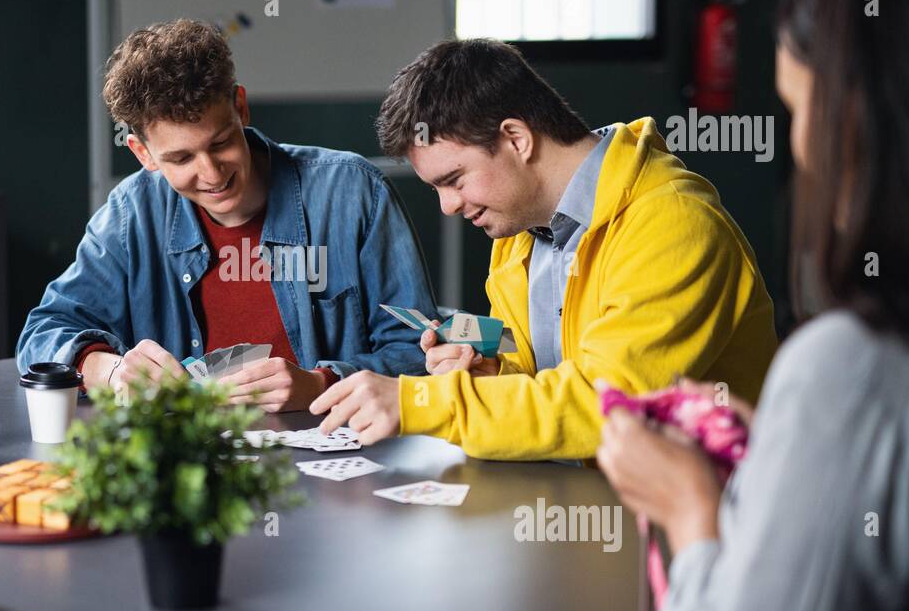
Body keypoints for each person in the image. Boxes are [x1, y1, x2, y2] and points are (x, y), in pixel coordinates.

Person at [598, 0, 909, 611]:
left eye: (799, 107)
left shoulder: (853, 364)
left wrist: (691, 511)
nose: (800, 145)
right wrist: (787, 452)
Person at [311, 39, 777, 456]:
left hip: (707, 519)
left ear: (516, 139)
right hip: (587, 500)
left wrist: (420, 401)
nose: (448, 207)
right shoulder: (517, 233)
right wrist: (489, 376)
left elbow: (606, 406)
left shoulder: (674, 223)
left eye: (453, 180)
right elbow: (542, 384)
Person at [16, 19, 437, 412]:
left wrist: (322, 383)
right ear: (142, 153)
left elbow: (419, 349)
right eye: (180, 158)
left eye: (220, 143)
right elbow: (42, 334)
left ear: (241, 107)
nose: (212, 174)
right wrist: (108, 370)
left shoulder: (352, 192)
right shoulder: (131, 214)